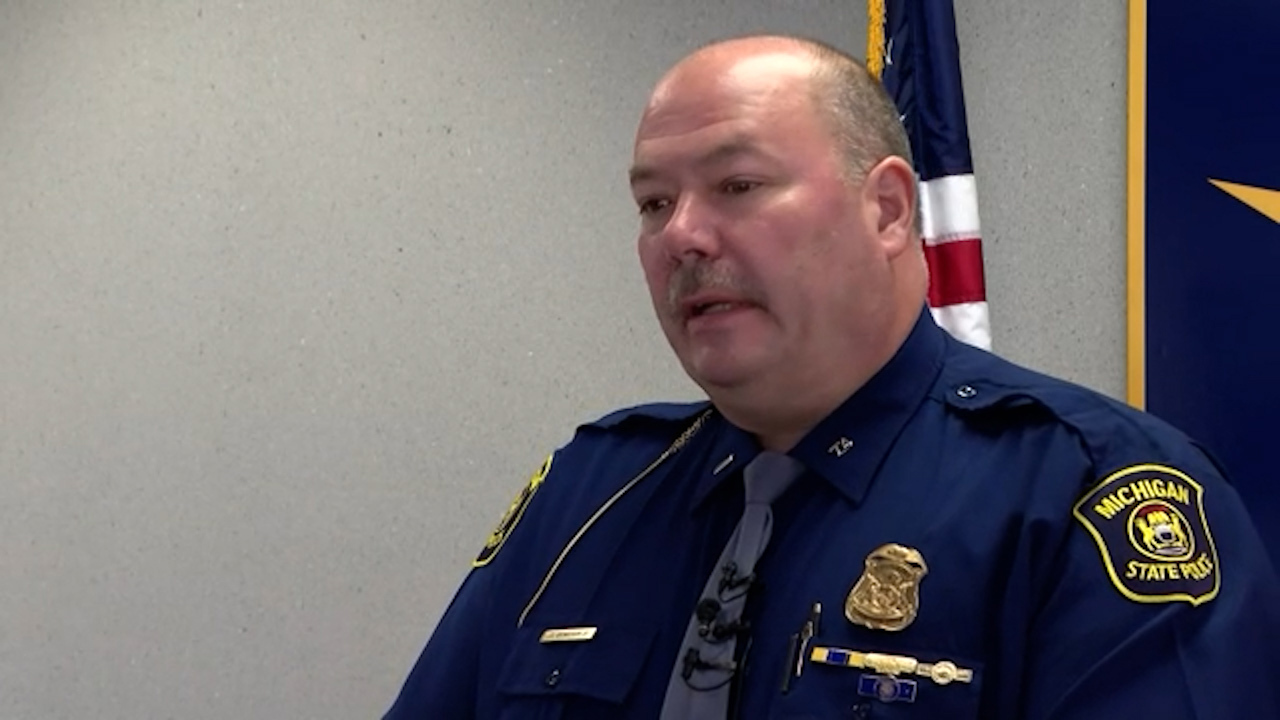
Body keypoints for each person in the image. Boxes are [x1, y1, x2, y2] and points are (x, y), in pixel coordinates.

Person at [384, 35, 1280, 719]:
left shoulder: (1081, 497)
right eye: (654, 202)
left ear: (887, 209)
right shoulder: (587, 495)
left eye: (737, 185)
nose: (681, 235)